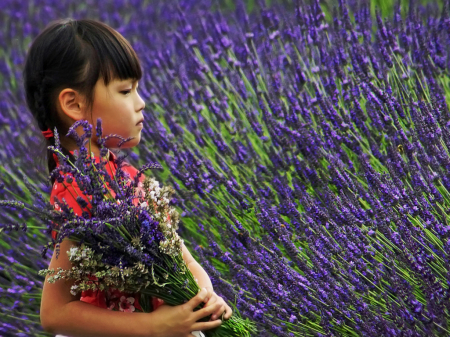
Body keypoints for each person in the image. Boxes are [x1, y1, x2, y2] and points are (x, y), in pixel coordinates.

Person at [23, 18, 232, 337]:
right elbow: (54, 313)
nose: (141, 102)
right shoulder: (77, 196)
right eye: (126, 90)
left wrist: (206, 298)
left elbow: (183, 260)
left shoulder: (132, 178)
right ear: (74, 104)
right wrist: (152, 326)